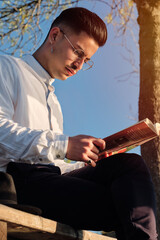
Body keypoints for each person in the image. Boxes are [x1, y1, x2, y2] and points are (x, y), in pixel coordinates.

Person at [0, 7, 158, 240]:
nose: (79, 65)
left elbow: (55, 166)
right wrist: (64, 145)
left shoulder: (54, 104)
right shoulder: (7, 67)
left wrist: (89, 162)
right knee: (124, 203)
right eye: (77, 52)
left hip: (49, 181)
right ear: (54, 36)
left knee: (129, 166)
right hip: (15, 182)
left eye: (86, 60)